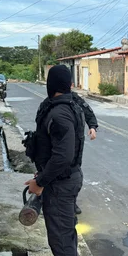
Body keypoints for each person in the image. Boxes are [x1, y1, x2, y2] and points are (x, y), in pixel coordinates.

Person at [24, 65, 85, 256]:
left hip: (61, 184)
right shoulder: (67, 107)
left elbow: (63, 156)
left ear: (52, 84)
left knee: (60, 238)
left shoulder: (59, 114)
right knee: (65, 234)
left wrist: (40, 182)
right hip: (63, 180)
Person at [35, 84, 98, 215]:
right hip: (54, 153)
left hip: (73, 150)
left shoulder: (74, 100)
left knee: (71, 174)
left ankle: (71, 203)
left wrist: (92, 126)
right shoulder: (49, 103)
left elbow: (88, 111)